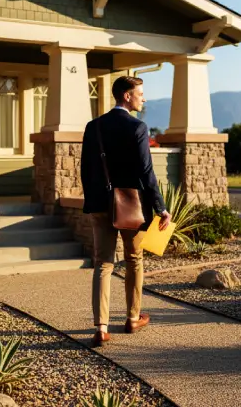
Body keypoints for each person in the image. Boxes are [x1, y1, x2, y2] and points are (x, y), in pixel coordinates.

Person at [80, 76, 171, 348]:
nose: (144, 98)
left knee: (103, 263)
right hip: (131, 205)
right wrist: (160, 208)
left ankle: (101, 327)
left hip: (100, 204)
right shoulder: (138, 127)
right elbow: (146, 172)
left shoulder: (93, 127)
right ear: (127, 96)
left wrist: (94, 200)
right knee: (134, 259)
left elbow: (85, 169)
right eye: (140, 93)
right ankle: (132, 318)